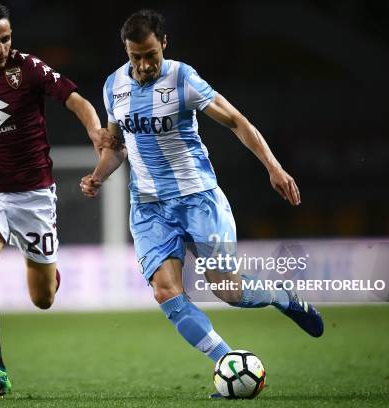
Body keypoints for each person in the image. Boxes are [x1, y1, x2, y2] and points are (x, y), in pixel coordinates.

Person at [80, 9, 323, 396]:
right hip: (148, 207)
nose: (143, 65)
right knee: (166, 291)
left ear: (164, 44)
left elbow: (237, 121)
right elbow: (117, 148)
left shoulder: (183, 78)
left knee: (227, 289)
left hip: (197, 198)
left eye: (150, 55)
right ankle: (227, 362)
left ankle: (282, 297)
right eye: (135, 57)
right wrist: (98, 175)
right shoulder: (113, 87)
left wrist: (274, 168)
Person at [0, 1, 108, 397]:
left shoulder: (28, 68)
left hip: (34, 196)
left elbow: (76, 101)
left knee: (43, 299)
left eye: (6, 38)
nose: (1, 47)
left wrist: (96, 133)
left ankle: (49, 274)